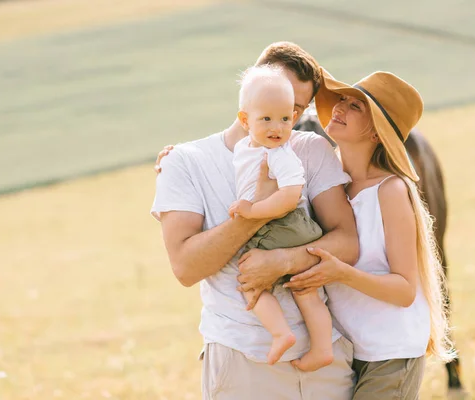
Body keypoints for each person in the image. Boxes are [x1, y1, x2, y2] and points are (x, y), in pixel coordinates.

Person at [151, 43, 357, 399]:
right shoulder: (186, 162)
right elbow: (185, 268)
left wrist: (282, 261)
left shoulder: (310, 149)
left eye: (295, 110)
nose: (284, 121)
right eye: (278, 105)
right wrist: (260, 206)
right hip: (242, 360)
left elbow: (348, 242)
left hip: (325, 359)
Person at [284, 68, 455, 399]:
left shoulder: (389, 192)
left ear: (377, 132)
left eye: (355, 107)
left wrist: (341, 273)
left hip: (390, 353)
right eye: (343, 100)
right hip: (349, 350)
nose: (338, 108)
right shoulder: (328, 182)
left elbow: (405, 290)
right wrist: (182, 159)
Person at [229, 64, 334, 370]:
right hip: (287, 225)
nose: (278, 128)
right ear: (244, 120)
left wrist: (251, 211)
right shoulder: (246, 148)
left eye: (286, 119)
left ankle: (280, 333)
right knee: (306, 291)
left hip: (284, 223)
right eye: (267, 119)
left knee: (250, 279)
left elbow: (289, 197)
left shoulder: (279, 153)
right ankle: (322, 349)